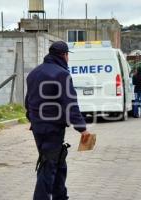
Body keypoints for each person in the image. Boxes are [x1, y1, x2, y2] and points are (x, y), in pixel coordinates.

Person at [25, 41, 91, 200]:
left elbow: (28, 101)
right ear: (64, 55)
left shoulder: (34, 72)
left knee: (58, 162)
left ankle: (60, 196)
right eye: (68, 56)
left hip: (38, 127)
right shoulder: (62, 74)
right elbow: (70, 104)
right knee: (49, 166)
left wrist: (33, 119)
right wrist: (82, 128)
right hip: (52, 128)